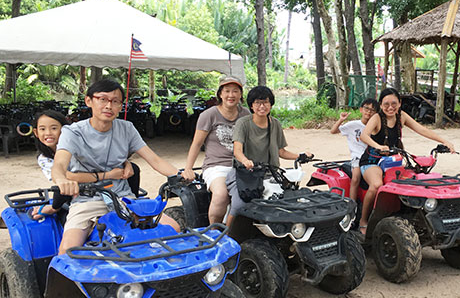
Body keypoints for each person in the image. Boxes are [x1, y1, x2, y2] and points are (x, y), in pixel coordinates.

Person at [52, 79, 181, 254]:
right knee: (68, 249)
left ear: (121, 106)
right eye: (102, 99)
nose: (108, 106)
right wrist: (61, 179)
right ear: (89, 101)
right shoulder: (73, 132)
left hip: (124, 199)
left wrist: (180, 174)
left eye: (115, 101)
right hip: (88, 200)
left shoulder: (127, 128)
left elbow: (155, 160)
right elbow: (59, 163)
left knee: (174, 229)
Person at [358, 88, 456, 236]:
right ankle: (364, 221)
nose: (390, 107)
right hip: (372, 160)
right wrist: (379, 147)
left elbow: (422, 129)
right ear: (380, 105)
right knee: (376, 185)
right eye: (386, 104)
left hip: (393, 161)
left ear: (400, 103)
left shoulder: (401, 116)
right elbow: (364, 136)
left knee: (414, 182)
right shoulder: (376, 118)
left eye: (394, 103)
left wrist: (445, 141)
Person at [30, 110, 140, 220]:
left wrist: (126, 162)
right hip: (77, 190)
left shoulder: (77, 142)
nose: (48, 133)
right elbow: (69, 176)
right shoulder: (45, 158)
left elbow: (106, 153)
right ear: (36, 132)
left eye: (54, 128)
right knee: (63, 186)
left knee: (134, 169)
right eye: (42, 129)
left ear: (65, 130)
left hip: (97, 177)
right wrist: (109, 174)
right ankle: (55, 208)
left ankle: (133, 201)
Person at [227, 86, 312, 226]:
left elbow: (281, 151)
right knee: (239, 204)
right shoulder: (243, 123)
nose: (262, 106)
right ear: (251, 106)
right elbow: (237, 151)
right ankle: (226, 234)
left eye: (265, 102)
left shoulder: (276, 124)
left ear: (271, 104)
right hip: (246, 174)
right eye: (257, 103)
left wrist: (300, 155)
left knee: (290, 198)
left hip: (271, 173)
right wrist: (245, 161)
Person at [183, 76, 250, 224]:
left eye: (235, 91)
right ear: (220, 94)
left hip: (241, 166)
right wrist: (188, 169)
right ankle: (214, 232)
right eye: (227, 91)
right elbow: (196, 144)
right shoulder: (209, 115)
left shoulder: (246, 115)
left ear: (240, 95)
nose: (231, 95)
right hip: (216, 166)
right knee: (221, 194)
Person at [330, 98, 378, 201]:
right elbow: (333, 131)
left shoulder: (376, 127)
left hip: (372, 157)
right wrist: (341, 120)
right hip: (358, 157)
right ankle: (352, 204)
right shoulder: (353, 125)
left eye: (372, 110)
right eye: (366, 109)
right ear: (361, 109)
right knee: (356, 177)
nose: (369, 112)